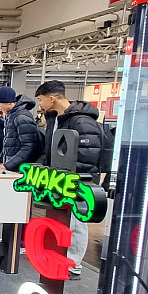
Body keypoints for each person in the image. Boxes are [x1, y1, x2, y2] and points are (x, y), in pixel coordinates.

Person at [35, 80, 103, 280]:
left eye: (41, 99)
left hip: (76, 180)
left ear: (52, 98)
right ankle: (60, 259)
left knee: (76, 222)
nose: (40, 104)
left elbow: (89, 154)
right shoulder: (55, 118)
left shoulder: (81, 121)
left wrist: (73, 178)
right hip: (59, 178)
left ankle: (73, 265)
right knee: (63, 220)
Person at [0, 86, 41, 173]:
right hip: (12, 166)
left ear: (9, 103)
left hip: (20, 169)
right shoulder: (10, 115)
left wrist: (8, 165)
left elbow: (29, 147)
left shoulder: (21, 117)